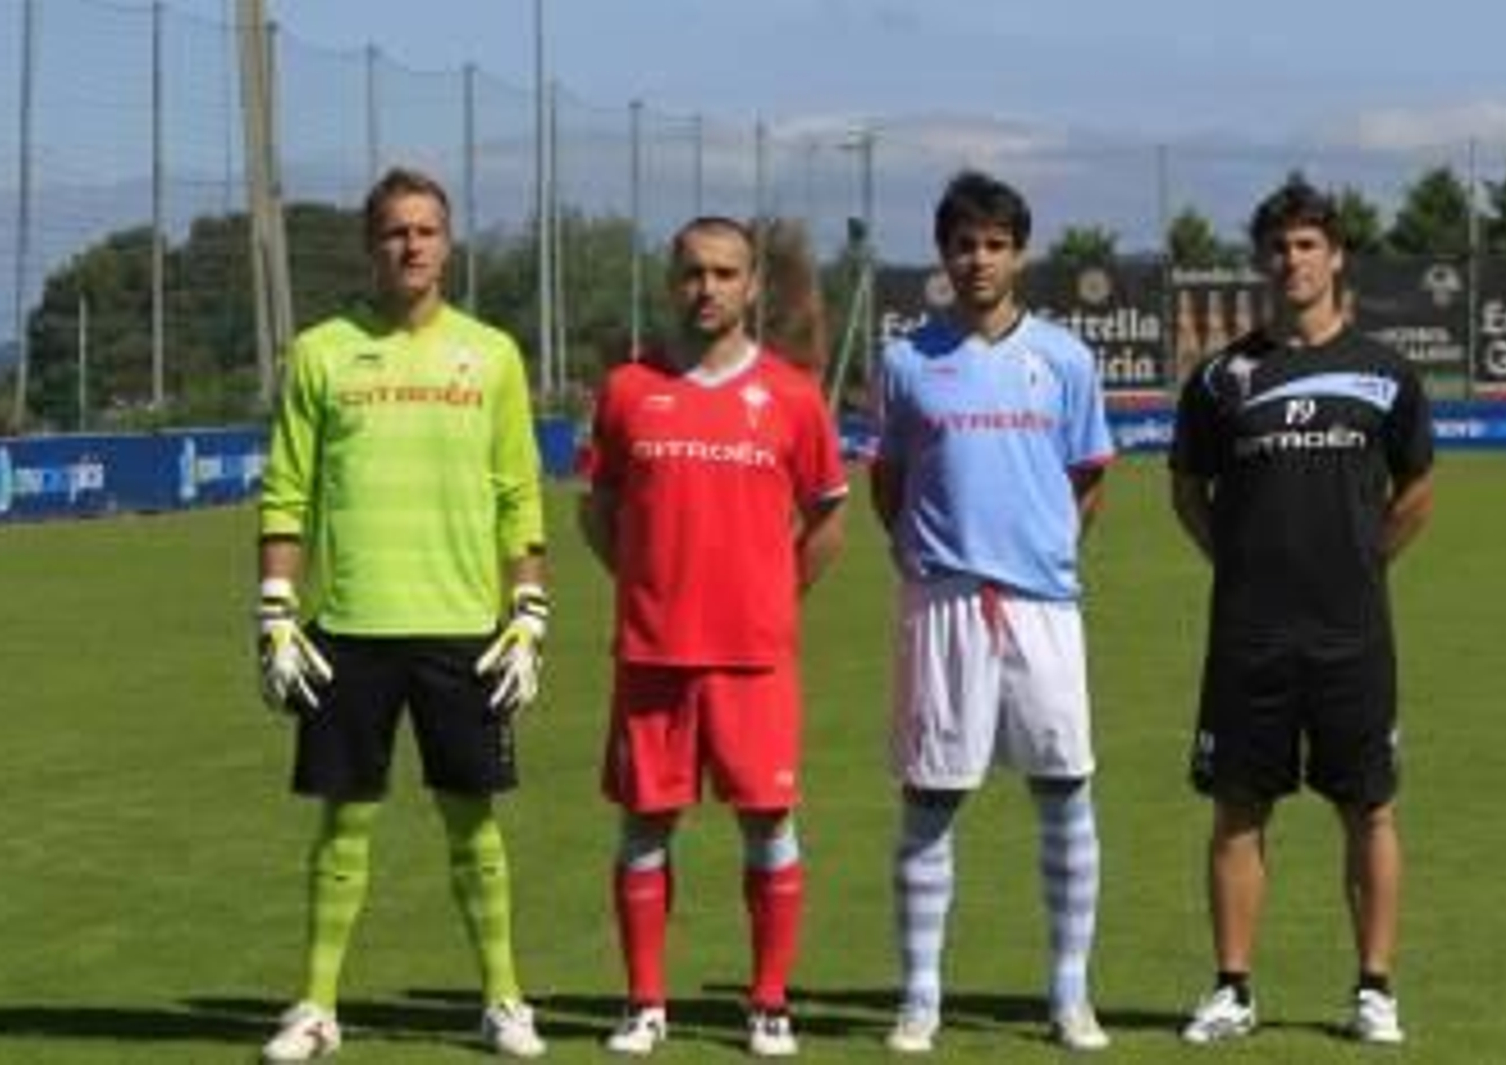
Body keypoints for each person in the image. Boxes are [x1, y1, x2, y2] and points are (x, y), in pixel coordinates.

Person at [254, 166, 550, 1062]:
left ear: (447, 245)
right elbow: (286, 491)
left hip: (464, 631)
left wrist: (529, 611)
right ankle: (316, 1006)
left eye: (425, 230)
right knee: (343, 823)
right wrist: (275, 611)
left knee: (473, 822)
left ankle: (502, 1000)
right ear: (370, 244)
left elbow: (519, 494)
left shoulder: (491, 354)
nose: (411, 245)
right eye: (395, 231)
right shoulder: (321, 351)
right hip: (348, 629)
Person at [1170, 179, 1435, 1046]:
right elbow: (1188, 490)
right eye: (1279, 246)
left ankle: (1375, 989)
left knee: (1370, 807)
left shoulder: (1386, 374)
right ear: (1261, 259)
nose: (1293, 260)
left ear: (1336, 255)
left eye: (1308, 244)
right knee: (1238, 808)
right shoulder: (1221, 378)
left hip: (1353, 630)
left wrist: (1364, 561)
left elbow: (1416, 489)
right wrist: (1238, 561)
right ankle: (1233, 988)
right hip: (1249, 632)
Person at [578, 215, 848, 1058]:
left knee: (769, 824)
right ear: (672, 281)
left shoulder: (793, 395)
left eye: (726, 273)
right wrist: (646, 585)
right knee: (643, 827)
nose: (708, 288)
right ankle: (644, 1003)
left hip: (754, 657)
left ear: (752, 285)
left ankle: (768, 1002)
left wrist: (773, 594)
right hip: (653, 653)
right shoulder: (628, 389)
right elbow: (597, 510)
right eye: (694, 272)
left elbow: (828, 518)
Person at [869, 170, 1115, 1054]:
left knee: (1064, 789)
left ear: (1020, 254)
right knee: (931, 798)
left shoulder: (1066, 359)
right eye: (964, 244)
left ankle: (1069, 994)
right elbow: (889, 481)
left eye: (996, 244)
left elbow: (1089, 475)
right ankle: (920, 997)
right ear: (943, 254)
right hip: (944, 603)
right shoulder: (906, 361)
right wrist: (929, 553)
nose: (979, 259)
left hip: (1044, 604)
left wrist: (1042, 549)